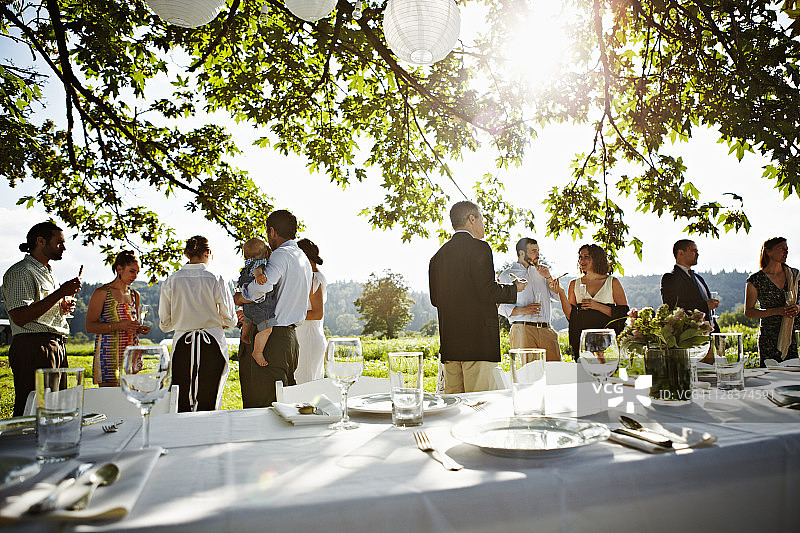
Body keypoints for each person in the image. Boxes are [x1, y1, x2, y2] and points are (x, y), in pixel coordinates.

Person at [429, 201, 525, 393]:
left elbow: (435, 300)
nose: (483, 224)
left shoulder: (437, 257)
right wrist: (514, 288)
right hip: (478, 343)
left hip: (451, 346)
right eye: (481, 218)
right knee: (480, 407)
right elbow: (487, 291)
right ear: (471, 219)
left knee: (454, 409)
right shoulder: (480, 248)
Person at [2, 222, 81, 416]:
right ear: (40, 241)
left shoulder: (46, 271)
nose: (64, 247)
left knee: (55, 408)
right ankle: (19, 446)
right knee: (33, 409)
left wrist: (60, 307)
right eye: (59, 243)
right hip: (34, 348)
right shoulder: (21, 272)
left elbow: (39, 309)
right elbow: (20, 317)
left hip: (54, 346)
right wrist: (61, 292)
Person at [236, 210, 312, 407]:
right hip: (290, 340)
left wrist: (241, 297)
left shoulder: (281, 255)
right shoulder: (302, 258)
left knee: (263, 404)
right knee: (284, 403)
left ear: (272, 232)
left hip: (271, 338)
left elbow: (262, 286)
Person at [159, 236, 237, 412]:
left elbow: (165, 324)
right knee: (210, 399)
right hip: (212, 343)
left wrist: (184, 319)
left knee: (181, 400)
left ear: (187, 254)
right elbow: (231, 319)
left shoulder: (172, 280)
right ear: (208, 253)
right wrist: (217, 319)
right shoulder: (215, 278)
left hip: (182, 345)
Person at [85, 251, 150, 386]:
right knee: (110, 402)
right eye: (132, 271)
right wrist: (120, 325)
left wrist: (138, 329)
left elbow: (130, 325)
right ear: (119, 269)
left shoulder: (134, 295)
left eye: (137, 272)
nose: (135, 276)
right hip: (108, 356)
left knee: (130, 402)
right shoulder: (102, 293)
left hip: (130, 356)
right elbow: (90, 326)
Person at [554, 244, 629, 360]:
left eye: (586, 256)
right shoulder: (574, 284)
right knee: (584, 376)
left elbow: (623, 313)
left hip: (606, 342)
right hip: (582, 342)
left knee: (606, 375)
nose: (582, 260)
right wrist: (561, 292)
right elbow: (571, 315)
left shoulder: (612, 282)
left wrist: (597, 306)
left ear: (597, 258)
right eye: (580, 257)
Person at [498, 237, 563, 362]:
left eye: (538, 251)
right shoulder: (506, 275)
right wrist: (522, 310)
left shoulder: (542, 272)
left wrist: (549, 277)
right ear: (521, 253)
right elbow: (499, 306)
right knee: (529, 376)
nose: (538, 255)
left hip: (546, 330)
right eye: (533, 251)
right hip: (522, 331)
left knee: (555, 374)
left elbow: (557, 296)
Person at [744, 237, 800, 365]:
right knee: (771, 375)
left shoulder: (795, 276)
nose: (785, 252)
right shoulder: (755, 280)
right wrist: (776, 311)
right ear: (768, 251)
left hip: (794, 334)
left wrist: (798, 308)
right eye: (781, 249)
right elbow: (749, 312)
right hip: (769, 337)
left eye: (787, 250)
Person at [661, 239, 720, 333]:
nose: (697, 254)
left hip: (709, 336)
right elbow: (673, 307)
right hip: (689, 338)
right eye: (694, 251)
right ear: (680, 253)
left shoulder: (699, 278)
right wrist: (704, 305)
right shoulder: (670, 278)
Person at [236, 238, 277, 368]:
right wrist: (259, 276)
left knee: (247, 321)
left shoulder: (245, 267)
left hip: (248, 308)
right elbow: (257, 270)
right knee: (266, 330)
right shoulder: (260, 263)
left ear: (245, 255)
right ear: (266, 253)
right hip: (261, 308)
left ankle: (245, 336)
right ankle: (257, 351)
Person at [294, 238, 327, 384]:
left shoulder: (313, 279)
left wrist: (291, 315)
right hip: (305, 338)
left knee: (305, 387)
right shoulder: (311, 277)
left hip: (308, 339)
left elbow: (318, 313)